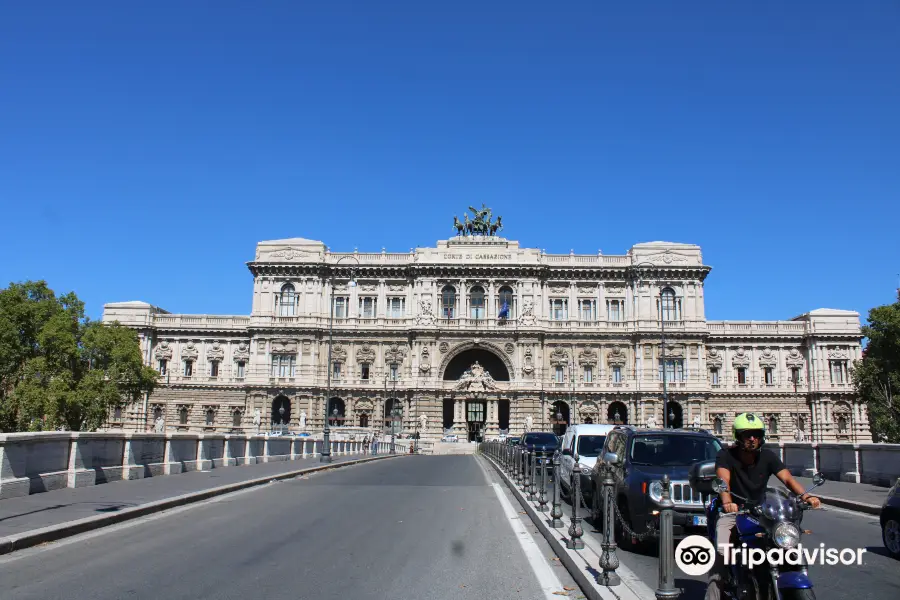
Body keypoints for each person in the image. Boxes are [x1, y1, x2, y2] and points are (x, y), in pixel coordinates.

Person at [706, 413, 821, 600]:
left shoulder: (767, 456)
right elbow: (723, 481)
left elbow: (788, 479)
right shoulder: (726, 455)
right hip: (735, 511)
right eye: (747, 434)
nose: (752, 439)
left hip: (761, 512)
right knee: (723, 554)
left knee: (787, 544)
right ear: (738, 436)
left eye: (756, 434)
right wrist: (727, 502)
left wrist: (806, 497)